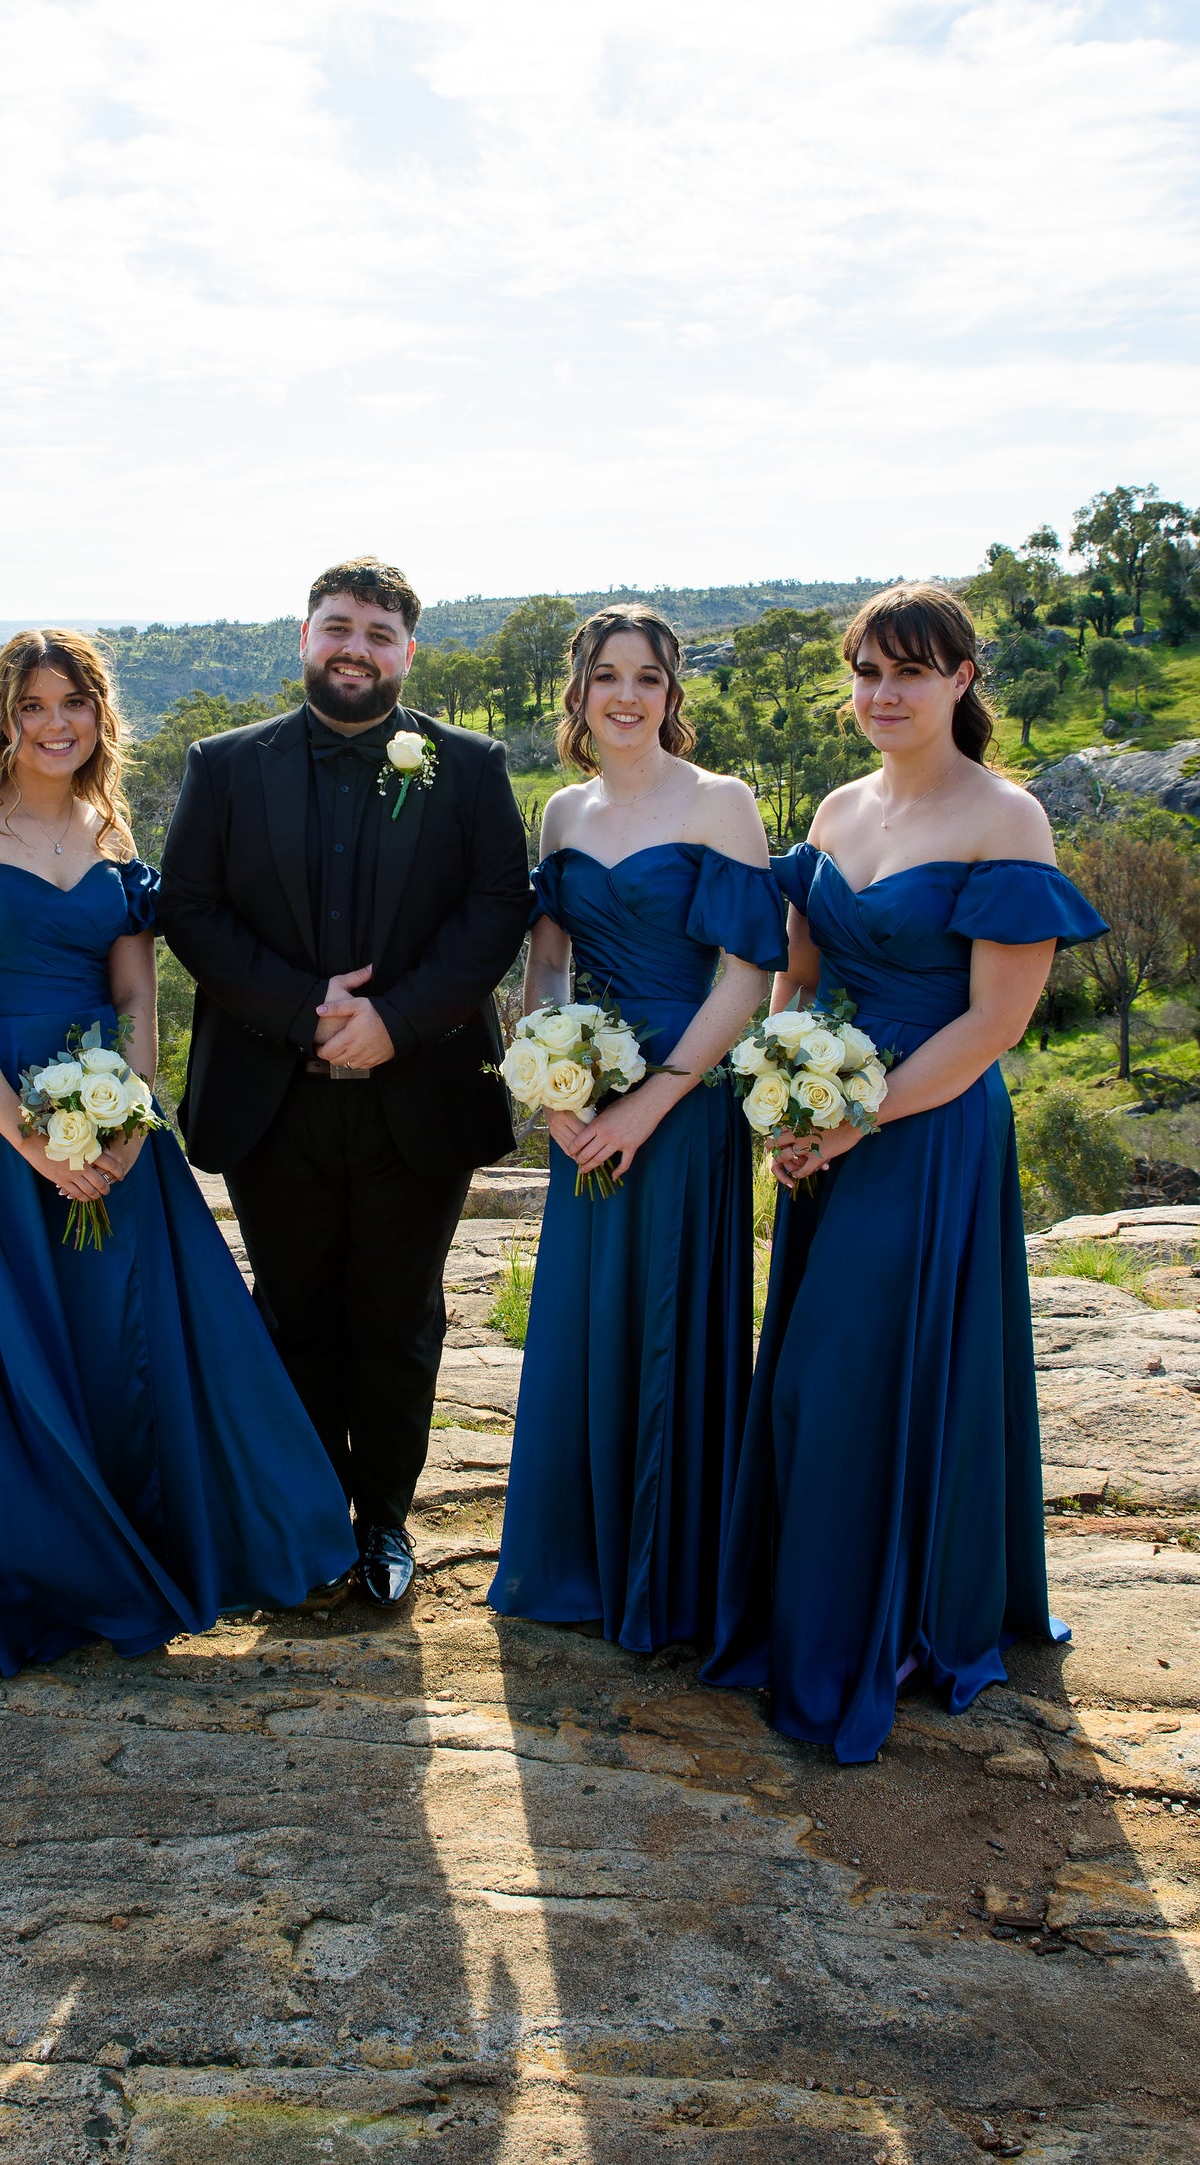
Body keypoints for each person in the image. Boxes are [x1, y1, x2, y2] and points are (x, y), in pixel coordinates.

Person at [0, 630, 357, 1676]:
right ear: (5, 717)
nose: (55, 723)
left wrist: (128, 1116)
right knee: (15, 1337)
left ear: (100, 713)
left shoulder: (112, 832)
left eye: (73, 703)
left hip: (107, 1108)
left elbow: (134, 996)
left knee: (136, 1329)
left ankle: (167, 1545)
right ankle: (43, 1574)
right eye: (33, 705)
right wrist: (30, 1141)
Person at [703, 583, 1106, 1762]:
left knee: (844, 1375)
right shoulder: (838, 805)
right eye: (868, 670)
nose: (883, 692)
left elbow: (992, 1023)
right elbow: (799, 977)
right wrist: (779, 1094)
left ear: (959, 679)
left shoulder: (1004, 818)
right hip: (824, 1118)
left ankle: (873, 1632)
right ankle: (808, 1608)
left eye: (910, 671)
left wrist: (851, 1121)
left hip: (923, 1133)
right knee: (809, 1378)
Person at [158, 559, 532, 1607]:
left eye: (376, 632)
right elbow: (190, 909)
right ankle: (307, 1523)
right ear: (305, 637)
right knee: (291, 1311)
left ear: (407, 650)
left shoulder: (468, 765)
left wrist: (393, 1023)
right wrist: (302, 1010)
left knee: (398, 1314)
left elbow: (495, 908)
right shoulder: (225, 765)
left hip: (421, 1091)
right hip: (270, 1092)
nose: (354, 648)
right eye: (337, 627)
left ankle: (385, 1522)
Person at [487, 605, 787, 1650]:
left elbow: (746, 974)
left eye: (647, 677)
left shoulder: (719, 801)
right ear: (576, 692)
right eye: (606, 675)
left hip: (682, 1099)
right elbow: (547, 967)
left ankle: (668, 1570)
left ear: (670, 694)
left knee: (667, 1313)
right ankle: (576, 1557)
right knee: (586, 1312)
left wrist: (653, 1097)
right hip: (585, 1097)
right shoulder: (561, 812)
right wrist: (554, 1089)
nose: (625, 695)